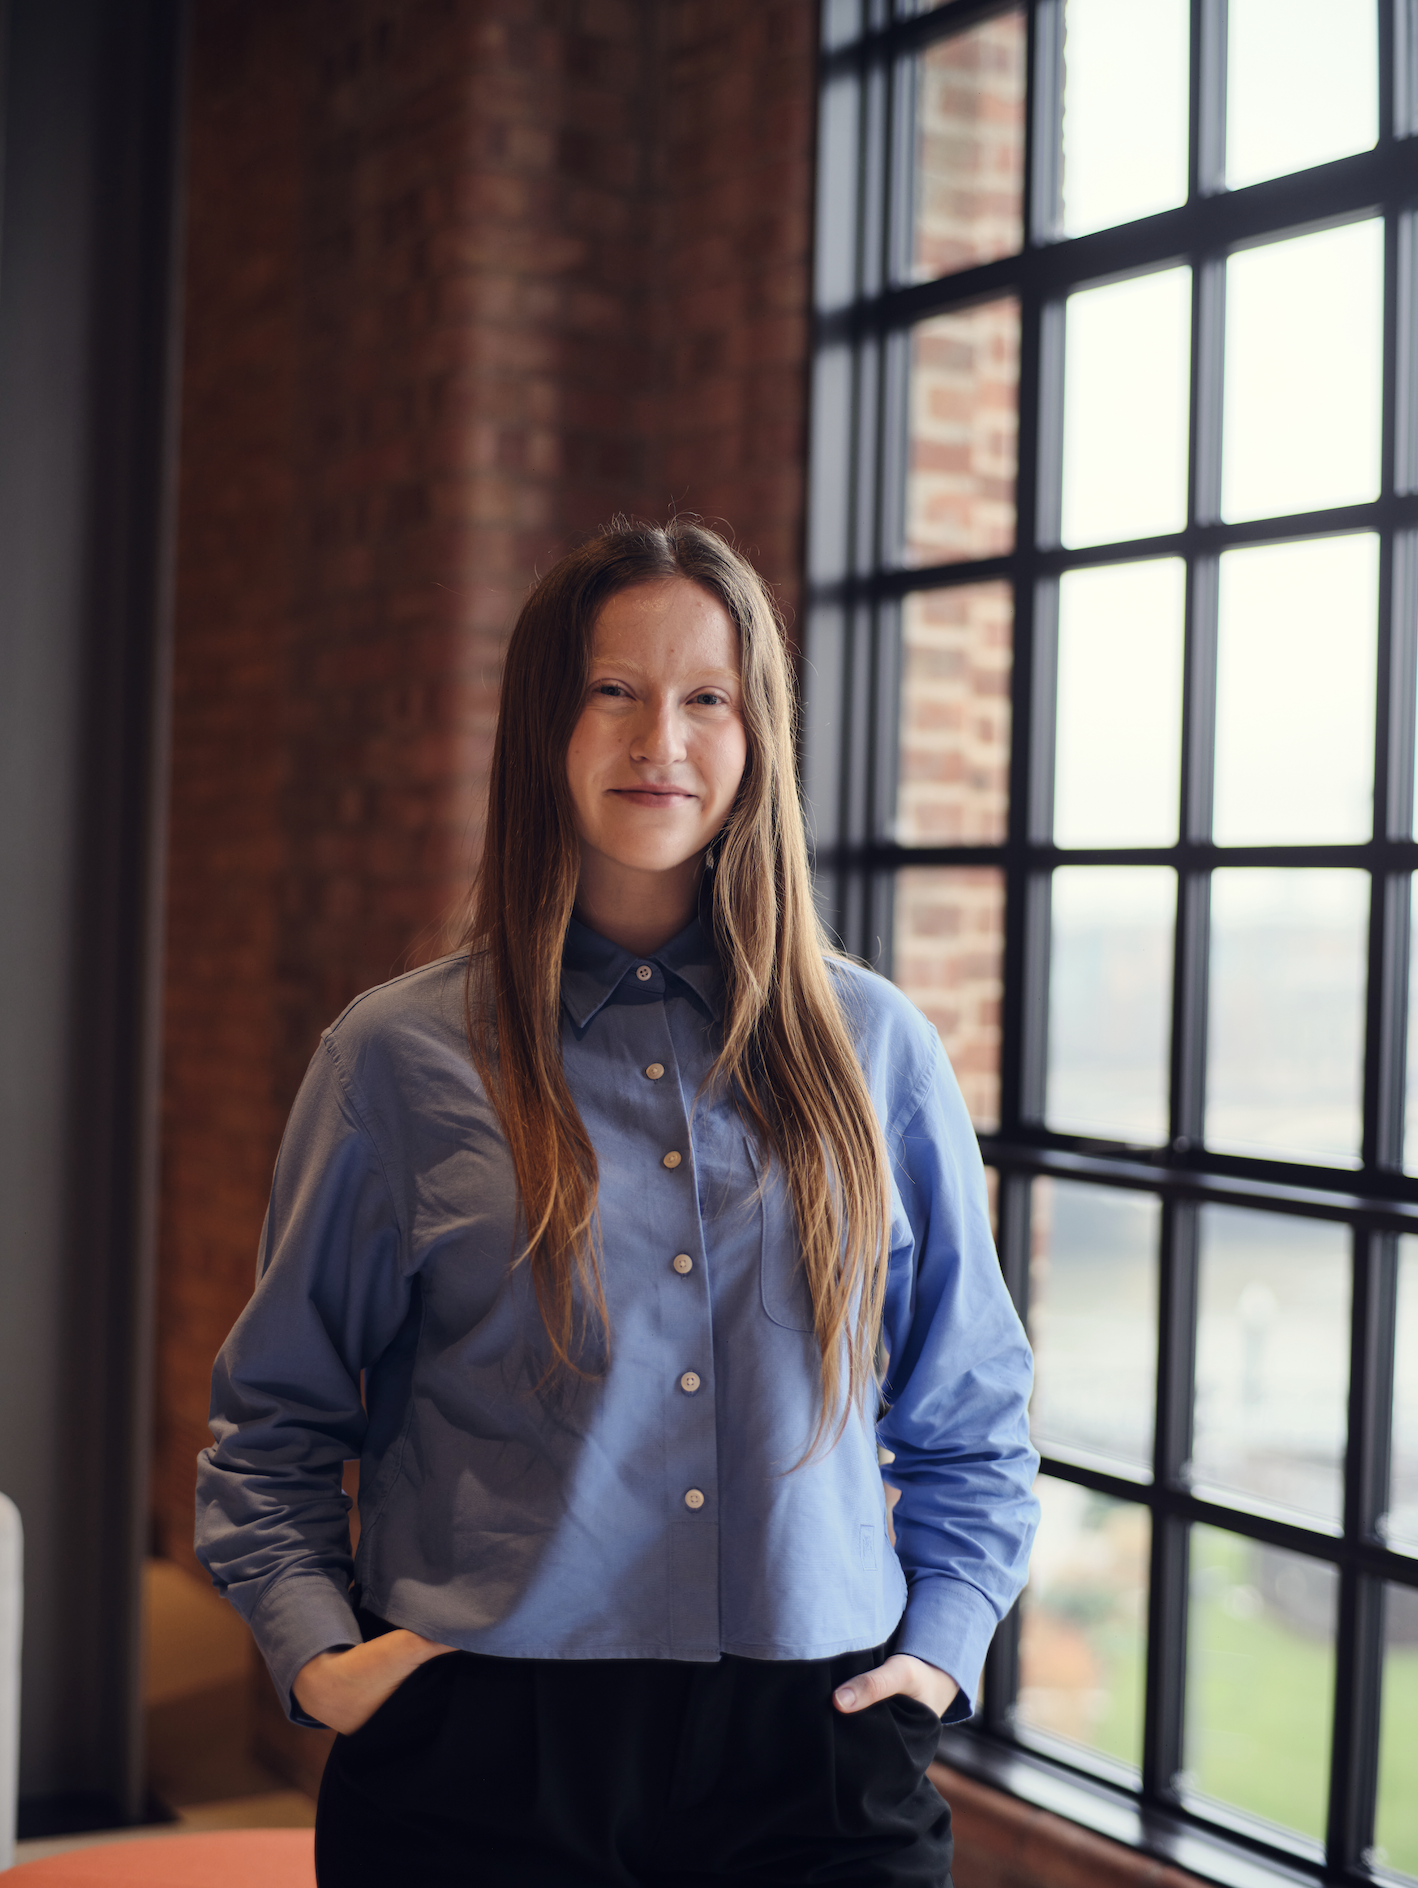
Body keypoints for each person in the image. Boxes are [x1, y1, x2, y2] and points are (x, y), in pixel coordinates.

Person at [195, 518, 1038, 1888]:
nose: (663, 738)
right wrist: (322, 1660)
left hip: (813, 1755)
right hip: (483, 1762)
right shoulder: (396, 1060)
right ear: (544, 723)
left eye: (706, 697)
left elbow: (971, 1412)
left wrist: (938, 1651)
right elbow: (272, 1421)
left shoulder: (875, 1050)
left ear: (753, 734)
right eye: (614, 691)